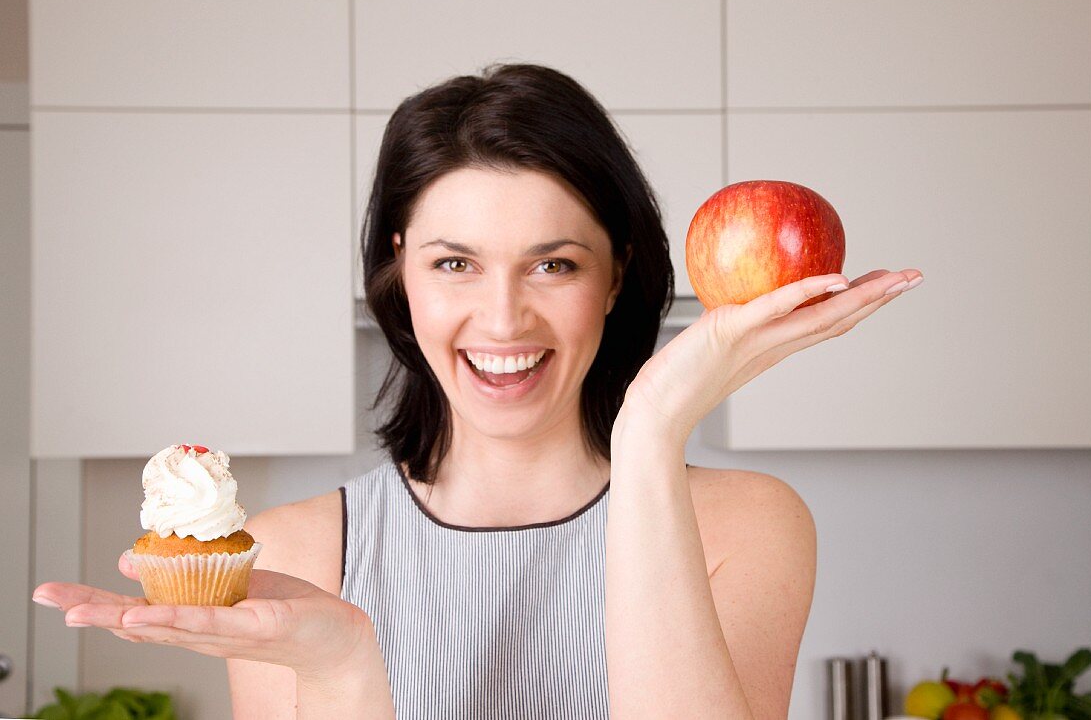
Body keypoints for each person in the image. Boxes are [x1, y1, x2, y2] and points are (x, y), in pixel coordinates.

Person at [33, 62, 922, 719]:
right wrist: (343, 665)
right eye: (454, 262)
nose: (503, 318)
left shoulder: (750, 525)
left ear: (617, 276)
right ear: (401, 272)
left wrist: (652, 428)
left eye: (555, 263)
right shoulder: (290, 554)